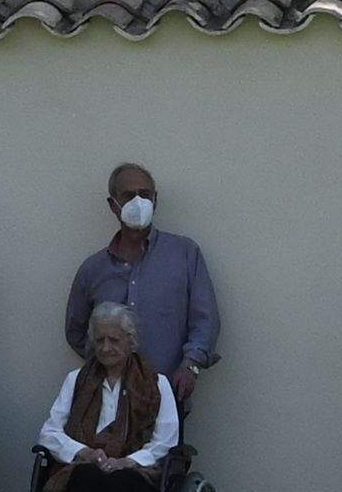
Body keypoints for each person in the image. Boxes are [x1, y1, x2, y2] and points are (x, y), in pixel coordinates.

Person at [35, 298, 179, 492]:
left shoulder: (156, 383)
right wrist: (83, 451)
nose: (106, 347)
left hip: (133, 472)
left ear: (132, 342)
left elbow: (166, 440)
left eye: (114, 339)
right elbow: (49, 432)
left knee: (119, 482)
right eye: (99, 340)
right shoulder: (77, 381)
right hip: (88, 467)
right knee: (87, 476)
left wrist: (129, 460)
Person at [56, 162, 221, 417]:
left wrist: (191, 366)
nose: (138, 201)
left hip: (166, 399)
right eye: (128, 195)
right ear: (113, 205)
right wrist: (106, 363)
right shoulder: (93, 269)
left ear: (156, 200)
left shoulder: (185, 255)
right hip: (105, 405)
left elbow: (205, 321)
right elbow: (76, 330)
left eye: (145, 194)